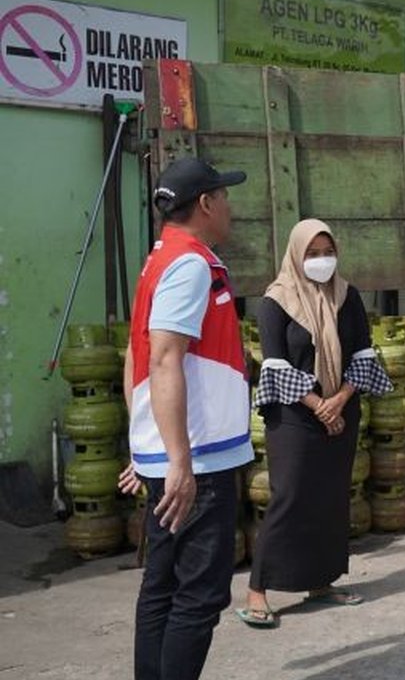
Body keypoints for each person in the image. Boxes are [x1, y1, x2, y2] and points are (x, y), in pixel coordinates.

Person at [119, 156, 256, 679]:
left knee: (163, 583)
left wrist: (144, 443)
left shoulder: (159, 260)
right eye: (224, 195)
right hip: (197, 456)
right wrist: (178, 460)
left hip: (173, 450)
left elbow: (138, 356)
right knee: (197, 594)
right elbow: (163, 357)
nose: (229, 205)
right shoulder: (190, 263)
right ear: (205, 204)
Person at [237, 219, 392, 629]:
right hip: (293, 416)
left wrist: (338, 401)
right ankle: (258, 589)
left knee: (330, 496)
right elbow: (273, 363)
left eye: (328, 252)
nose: (322, 260)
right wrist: (318, 404)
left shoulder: (348, 296)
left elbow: (362, 355)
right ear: (295, 254)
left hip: (341, 410)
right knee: (289, 496)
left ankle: (320, 582)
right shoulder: (276, 301)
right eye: (313, 253)